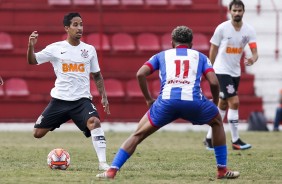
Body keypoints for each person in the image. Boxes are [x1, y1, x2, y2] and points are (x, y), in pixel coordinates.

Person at [96, 26, 239, 179]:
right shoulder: (201, 57)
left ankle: (112, 170)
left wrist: (148, 99)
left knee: (137, 134)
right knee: (217, 122)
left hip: (166, 103)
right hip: (194, 103)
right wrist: (214, 103)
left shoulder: (161, 55)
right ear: (191, 44)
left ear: (172, 43)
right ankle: (222, 170)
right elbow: (214, 83)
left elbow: (140, 74)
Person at [27, 12, 111, 171]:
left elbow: (97, 75)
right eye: (75, 25)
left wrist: (104, 98)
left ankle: (103, 163)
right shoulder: (55, 48)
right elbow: (32, 61)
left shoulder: (89, 50)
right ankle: (61, 118)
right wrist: (31, 46)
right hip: (59, 101)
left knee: (95, 122)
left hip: (81, 101)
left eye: (81, 24)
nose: (79, 28)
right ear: (67, 28)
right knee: (37, 133)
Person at [204, 0, 259, 150]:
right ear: (229, 11)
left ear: (243, 12)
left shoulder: (249, 30)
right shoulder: (222, 28)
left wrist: (253, 59)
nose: (236, 13)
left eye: (239, 11)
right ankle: (236, 140)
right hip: (221, 70)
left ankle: (209, 139)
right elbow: (213, 49)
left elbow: (254, 52)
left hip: (235, 71)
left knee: (222, 105)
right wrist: (210, 69)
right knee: (234, 102)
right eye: (234, 10)